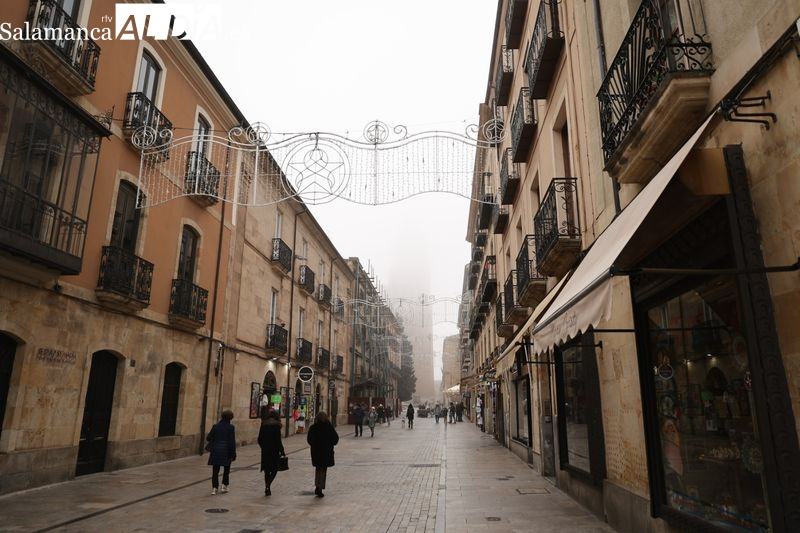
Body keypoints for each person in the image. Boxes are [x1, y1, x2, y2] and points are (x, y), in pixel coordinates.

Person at [306, 411, 339, 497]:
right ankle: (320, 487)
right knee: (323, 470)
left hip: (316, 452)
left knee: (318, 469)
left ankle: (317, 485)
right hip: (326, 452)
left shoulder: (313, 427)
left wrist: (314, 445)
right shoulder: (329, 427)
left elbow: (309, 439)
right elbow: (335, 439)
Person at [206, 409, 236, 495]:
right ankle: (224, 486)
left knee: (215, 470)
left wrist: (215, 440)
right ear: (230, 418)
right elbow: (232, 441)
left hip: (216, 450)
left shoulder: (215, 426)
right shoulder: (231, 427)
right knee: (226, 470)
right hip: (226, 451)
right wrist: (233, 453)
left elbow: (208, 438)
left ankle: (214, 488)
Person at [257, 410, 285, 496]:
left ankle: (267, 487)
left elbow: (259, 439)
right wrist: (282, 451)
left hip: (265, 450)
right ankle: (268, 485)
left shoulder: (264, 424)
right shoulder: (277, 426)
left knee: (267, 470)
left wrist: (263, 446)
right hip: (274, 450)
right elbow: (278, 440)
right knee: (274, 469)